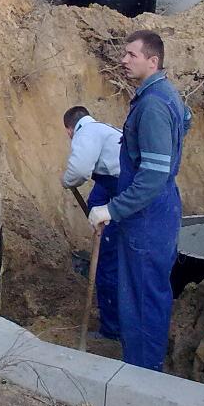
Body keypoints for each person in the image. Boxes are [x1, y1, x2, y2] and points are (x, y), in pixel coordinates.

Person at [88, 29, 191, 371]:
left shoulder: (152, 106)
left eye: (131, 55)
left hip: (148, 215)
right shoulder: (164, 94)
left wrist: (112, 208)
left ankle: (144, 377)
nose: (123, 60)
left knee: (143, 298)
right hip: (156, 209)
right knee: (143, 292)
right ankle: (142, 366)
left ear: (153, 60)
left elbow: (152, 176)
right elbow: (185, 122)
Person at [62, 105, 121, 340]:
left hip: (123, 193)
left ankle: (112, 330)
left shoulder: (85, 132)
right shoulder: (106, 130)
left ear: (69, 129)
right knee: (96, 200)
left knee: (109, 262)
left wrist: (66, 180)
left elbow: (78, 170)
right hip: (118, 186)